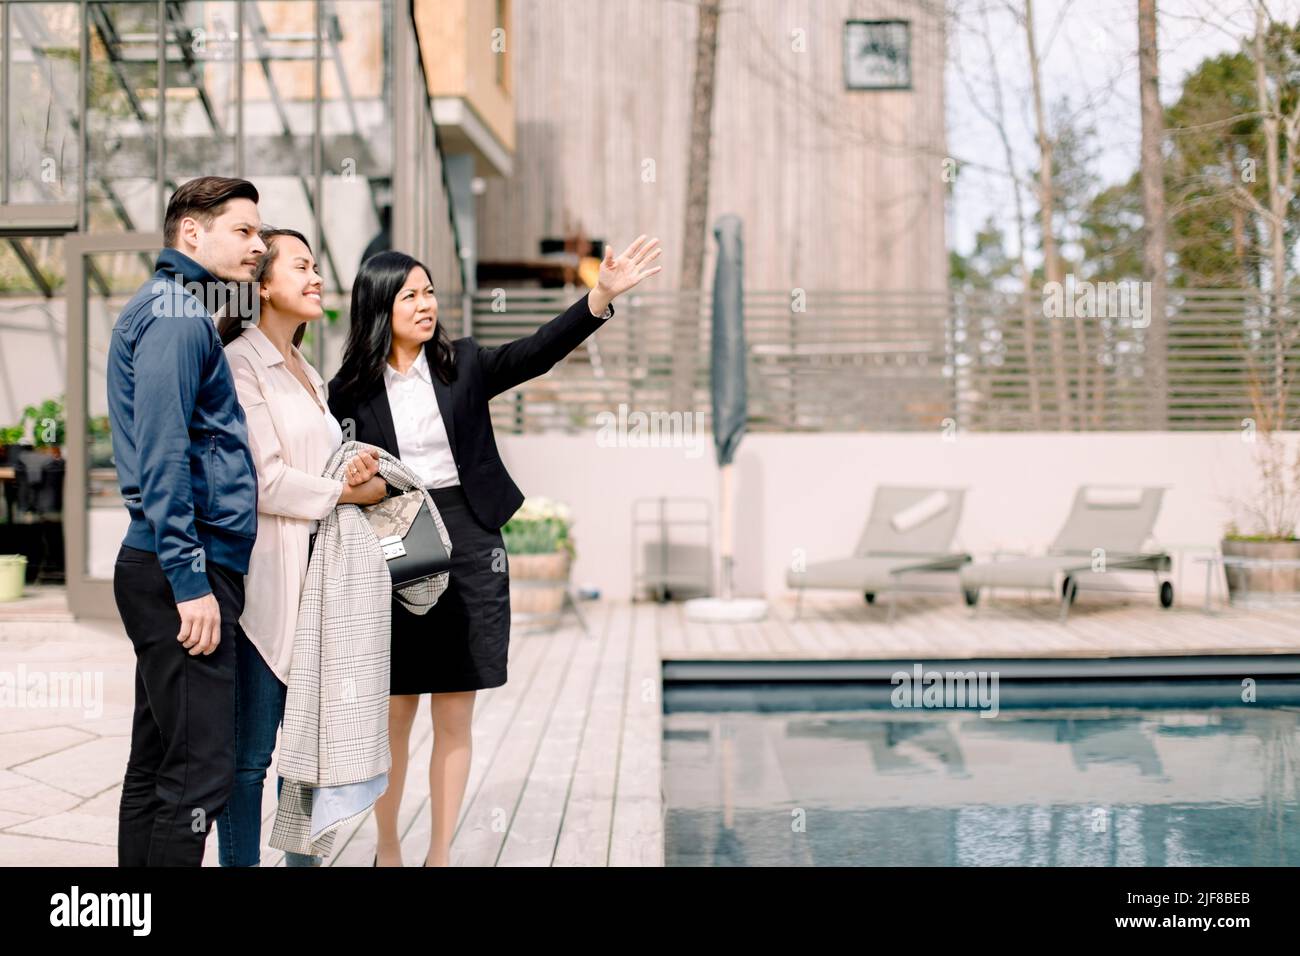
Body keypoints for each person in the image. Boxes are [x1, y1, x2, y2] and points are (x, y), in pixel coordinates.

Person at [328, 235, 662, 866]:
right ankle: (390, 849)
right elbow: (333, 473)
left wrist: (600, 298)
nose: (426, 305)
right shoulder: (345, 393)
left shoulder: (464, 363)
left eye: (429, 293)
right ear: (379, 308)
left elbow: (537, 353)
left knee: (456, 713)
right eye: (411, 296)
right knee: (394, 716)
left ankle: (440, 855)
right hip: (395, 542)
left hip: (472, 538)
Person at [215, 228, 387, 866]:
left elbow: (313, 466)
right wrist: (348, 496)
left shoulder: (308, 371)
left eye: (318, 266)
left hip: (321, 591)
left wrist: (351, 468)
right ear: (261, 286)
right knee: (251, 759)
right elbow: (262, 481)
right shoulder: (239, 366)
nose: (317, 278)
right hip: (268, 589)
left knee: (311, 753)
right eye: (303, 267)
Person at [106, 176, 265, 866]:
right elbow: (163, 453)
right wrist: (189, 577)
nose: (258, 246)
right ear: (191, 233)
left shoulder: (177, 307)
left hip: (173, 563)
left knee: (160, 762)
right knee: (202, 772)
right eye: (244, 231)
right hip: (184, 568)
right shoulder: (174, 314)